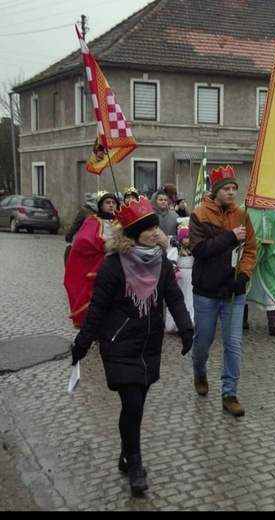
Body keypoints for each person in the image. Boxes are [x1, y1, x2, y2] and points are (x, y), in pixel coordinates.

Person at [69, 196, 194, 496]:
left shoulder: (161, 261)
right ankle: (136, 465)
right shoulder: (113, 266)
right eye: (149, 228)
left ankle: (127, 453)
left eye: (155, 228)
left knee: (136, 408)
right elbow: (97, 308)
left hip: (149, 346)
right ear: (134, 232)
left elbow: (173, 297)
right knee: (132, 403)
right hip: (119, 344)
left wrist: (187, 327)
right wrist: (82, 343)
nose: (155, 233)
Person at [188, 165, 256, 417]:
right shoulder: (199, 214)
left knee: (233, 344)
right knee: (203, 341)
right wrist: (229, 236)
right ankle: (199, 371)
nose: (231, 193)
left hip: (233, 294)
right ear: (216, 191)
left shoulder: (242, 215)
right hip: (206, 292)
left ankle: (229, 393)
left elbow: (250, 250)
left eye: (234, 189)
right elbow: (200, 250)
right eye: (226, 189)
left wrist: (244, 276)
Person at [64, 191, 120, 329]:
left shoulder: (119, 221)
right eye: (108, 203)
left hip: (118, 264)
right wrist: (104, 244)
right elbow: (82, 242)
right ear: (101, 205)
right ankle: (94, 326)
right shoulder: (92, 220)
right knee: (96, 296)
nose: (111, 205)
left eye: (113, 203)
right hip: (97, 265)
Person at [243, 208, 275, 336]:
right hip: (249, 255)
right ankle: (241, 320)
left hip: (269, 256)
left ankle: (273, 323)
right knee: (243, 284)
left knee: (271, 286)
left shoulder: (272, 213)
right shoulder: (244, 210)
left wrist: (274, 251)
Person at [165, 219, 194, 333]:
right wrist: (175, 271)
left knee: (190, 299)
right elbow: (171, 261)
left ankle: (190, 322)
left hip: (191, 276)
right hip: (180, 277)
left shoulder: (193, 249)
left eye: (189, 237)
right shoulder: (176, 249)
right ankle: (174, 324)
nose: (188, 241)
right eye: (186, 238)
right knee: (178, 298)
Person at [64, 192, 98, 265]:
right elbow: (76, 224)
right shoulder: (84, 210)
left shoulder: (102, 212)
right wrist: (69, 236)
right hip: (83, 240)